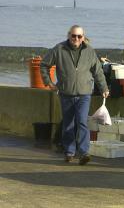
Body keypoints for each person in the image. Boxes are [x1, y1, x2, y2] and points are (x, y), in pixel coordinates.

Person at [40, 25, 109, 165]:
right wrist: (49, 82)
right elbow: (44, 65)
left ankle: (84, 153)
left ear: (83, 37)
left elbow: (98, 71)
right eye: (73, 36)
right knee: (68, 124)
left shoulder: (89, 51)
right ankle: (70, 152)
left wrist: (104, 87)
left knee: (82, 122)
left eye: (79, 36)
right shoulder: (59, 49)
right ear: (69, 36)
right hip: (66, 93)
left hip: (84, 94)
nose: (76, 39)